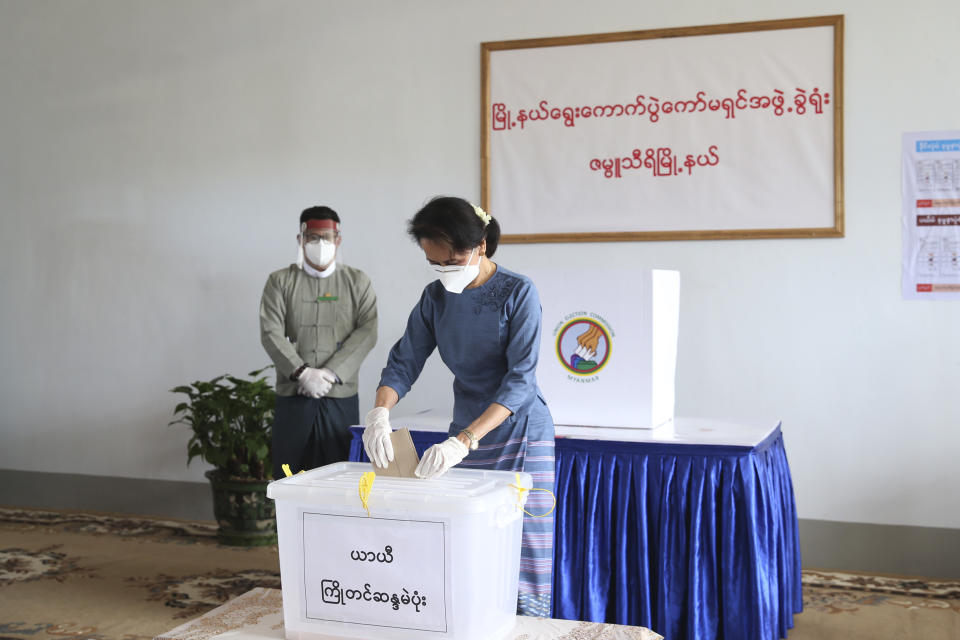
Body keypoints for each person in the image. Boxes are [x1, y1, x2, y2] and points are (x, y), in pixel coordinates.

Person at [361, 196, 555, 617]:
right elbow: (403, 362)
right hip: (466, 428)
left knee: (525, 544)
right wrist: (379, 414)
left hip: (520, 430)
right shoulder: (436, 298)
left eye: (452, 260)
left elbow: (520, 380)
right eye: (435, 263)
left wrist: (464, 440)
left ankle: (526, 627)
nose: (445, 270)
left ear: (480, 245)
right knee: (469, 537)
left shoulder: (518, 293)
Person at [260, 205, 377, 480]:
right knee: (290, 473)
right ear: (301, 239)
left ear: (338, 239)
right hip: (294, 393)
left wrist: (330, 373)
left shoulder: (356, 281)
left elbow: (368, 330)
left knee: (339, 474)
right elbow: (270, 331)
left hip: (339, 395)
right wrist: (302, 372)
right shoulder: (280, 281)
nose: (320, 244)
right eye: (313, 237)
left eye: (327, 237)